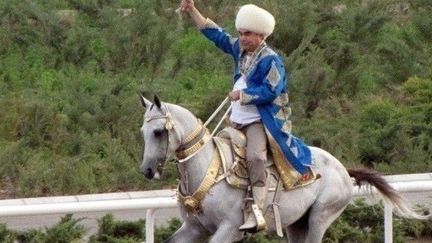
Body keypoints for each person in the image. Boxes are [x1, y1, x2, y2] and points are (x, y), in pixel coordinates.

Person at [180, 0, 312, 232]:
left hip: (258, 121)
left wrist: (243, 95)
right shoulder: (239, 49)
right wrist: (192, 10)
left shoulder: (272, 60)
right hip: (236, 120)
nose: (241, 38)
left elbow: (272, 90)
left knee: (256, 158)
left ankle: (257, 208)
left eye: (247, 34)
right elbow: (217, 35)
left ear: (261, 35)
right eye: (240, 33)